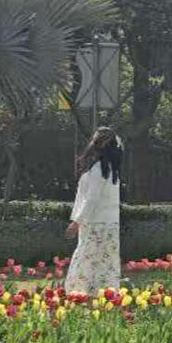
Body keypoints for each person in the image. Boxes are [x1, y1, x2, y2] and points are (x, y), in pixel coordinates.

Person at [65, 127, 123, 296]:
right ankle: (104, 292)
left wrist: (77, 222)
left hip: (94, 222)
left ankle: (80, 292)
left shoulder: (98, 171)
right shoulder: (112, 172)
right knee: (105, 261)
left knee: (87, 258)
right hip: (110, 223)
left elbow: (91, 199)